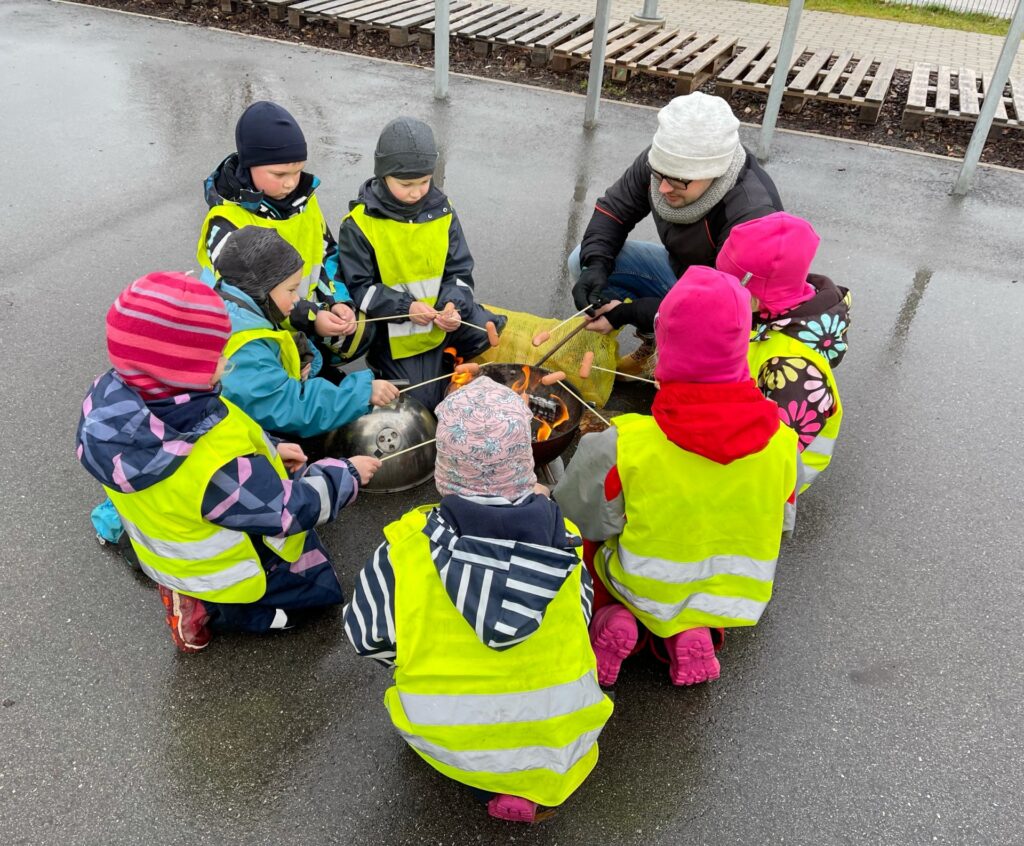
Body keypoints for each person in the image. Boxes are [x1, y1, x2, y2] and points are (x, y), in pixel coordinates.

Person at [343, 376, 613, 823]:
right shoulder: (563, 541)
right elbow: (580, 615)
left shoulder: (404, 549)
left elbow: (367, 637)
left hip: (452, 741)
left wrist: (420, 656)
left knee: (433, 705)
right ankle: (529, 785)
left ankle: (488, 777)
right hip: (564, 735)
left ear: (443, 467)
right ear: (525, 461)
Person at [76, 272, 381, 653]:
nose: (227, 360)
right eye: (218, 354)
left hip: (169, 549)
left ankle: (182, 587)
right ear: (185, 370)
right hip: (228, 574)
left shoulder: (120, 405)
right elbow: (285, 511)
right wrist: (345, 474)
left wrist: (270, 448)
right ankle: (209, 610)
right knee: (310, 599)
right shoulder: (211, 464)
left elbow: (221, 431)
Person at [554, 266, 799, 687]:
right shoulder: (783, 442)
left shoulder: (626, 444)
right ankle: (694, 631)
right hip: (735, 596)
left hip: (642, 585)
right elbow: (784, 525)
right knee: (710, 556)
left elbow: (579, 518)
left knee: (590, 538)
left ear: (665, 348)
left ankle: (614, 615)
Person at [570, 92, 783, 378]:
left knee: (705, 348)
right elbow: (615, 211)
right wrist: (595, 264)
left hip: (735, 309)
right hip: (682, 271)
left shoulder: (751, 214)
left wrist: (628, 313)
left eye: (677, 180)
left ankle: (678, 359)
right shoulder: (663, 162)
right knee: (581, 258)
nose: (663, 188)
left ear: (713, 171)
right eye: (659, 175)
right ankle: (654, 341)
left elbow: (722, 311)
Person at [337, 116, 504, 409]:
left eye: (425, 181)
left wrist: (453, 306)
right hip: (397, 332)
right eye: (406, 184)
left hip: (440, 320)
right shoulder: (359, 224)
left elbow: (460, 272)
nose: (416, 192)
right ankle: (404, 367)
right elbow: (360, 289)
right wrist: (407, 308)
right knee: (424, 403)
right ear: (382, 175)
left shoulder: (444, 211)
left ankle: (446, 356)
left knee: (488, 330)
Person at [196, 100, 367, 372]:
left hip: (301, 317)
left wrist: (337, 302)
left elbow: (327, 253)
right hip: (257, 335)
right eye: (279, 174)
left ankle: (311, 366)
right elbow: (248, 298)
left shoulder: (306, 202)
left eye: (297, 171)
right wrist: (312, 318)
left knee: (362, 331)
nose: (290, 182)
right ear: (249, 165)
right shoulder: (226, 220)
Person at [212, 226, 399, 439]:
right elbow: (290, 407)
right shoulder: (245, 349)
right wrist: (361, 393)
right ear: (261, 290)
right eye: (291, 290)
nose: (296, 299)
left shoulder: (240, 312)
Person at [716, 212, 850, 490]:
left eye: (730, 284)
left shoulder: (794, 370)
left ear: (756, 295)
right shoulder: (771, 311)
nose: (721, 290)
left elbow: (773, 457)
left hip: (770, 485)